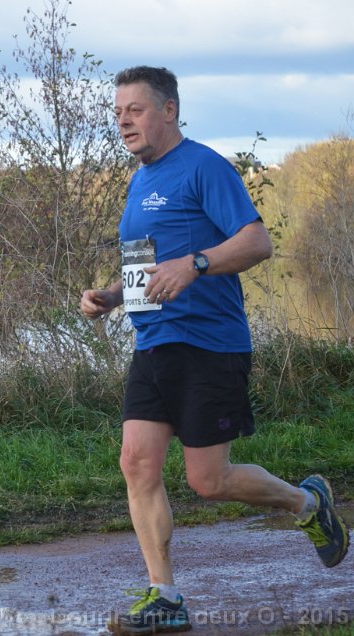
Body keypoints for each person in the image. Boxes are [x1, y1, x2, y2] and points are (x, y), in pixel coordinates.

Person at [80, 66, 349, 636]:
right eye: (118, 112)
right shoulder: (139, 182)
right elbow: (148, 265)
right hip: (154, 343)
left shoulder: (205, 166)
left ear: (169, 110)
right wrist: (112, 295)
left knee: (209, 480)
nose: (123, 121)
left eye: (135, 109)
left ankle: (307, 503)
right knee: (137, 462)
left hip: (209, 344)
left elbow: (258, 241)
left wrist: (197, 264)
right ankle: (166, 597)